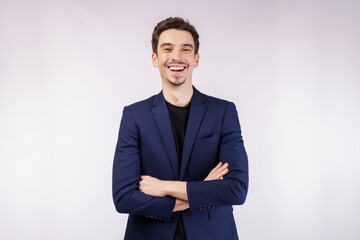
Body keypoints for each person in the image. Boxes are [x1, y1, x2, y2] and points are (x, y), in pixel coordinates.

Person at [112, 17, 249, 240]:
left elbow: (237, 189)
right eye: (167, 49)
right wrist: (202, 190)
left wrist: (163, 187)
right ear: (155, 59)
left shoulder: (223, 112)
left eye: (186, 49)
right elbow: (124, 198)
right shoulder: (134, 116)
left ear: (196, 59)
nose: (176, 56)